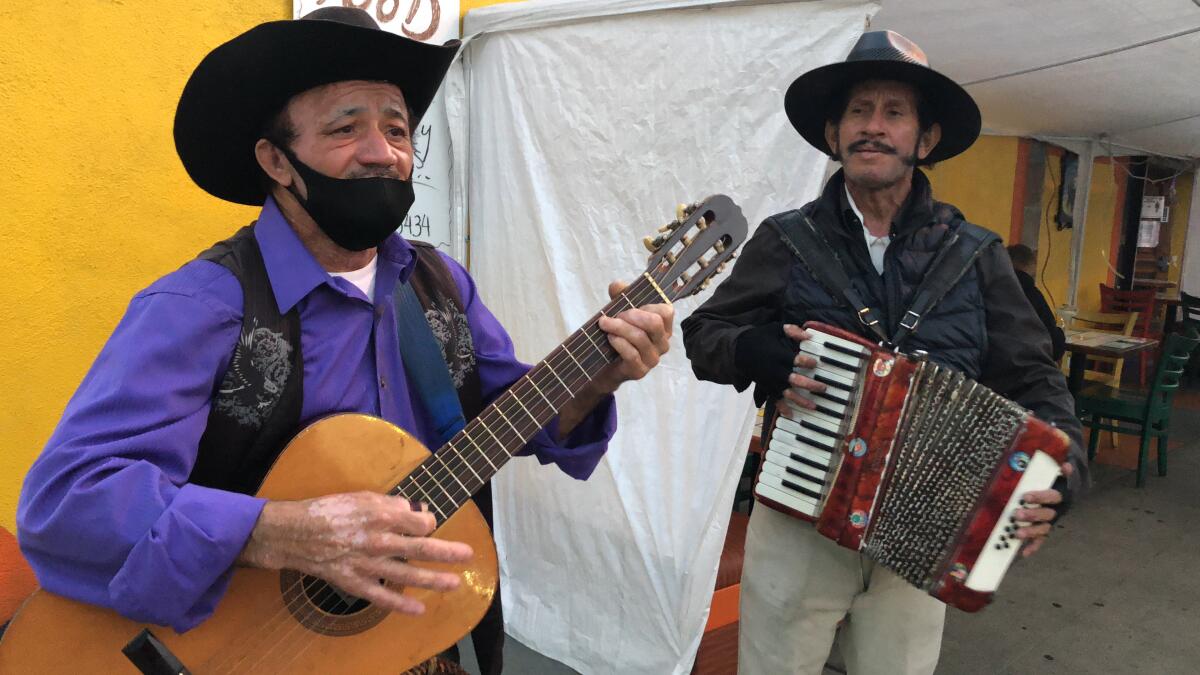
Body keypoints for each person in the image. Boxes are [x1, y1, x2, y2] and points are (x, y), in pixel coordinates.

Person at [15, 8, 673, 674]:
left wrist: (598, 375)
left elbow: (511, 413)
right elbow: (67, 499)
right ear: (276, 160)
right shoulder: (200, 306)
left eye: (397, 128)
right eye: (345, 127)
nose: (383, 151)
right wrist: (280, 532)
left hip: (395, 642)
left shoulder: (439, 285)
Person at [681, 31, 1087, 675]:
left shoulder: (975, 255)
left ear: (924, 140)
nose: (874, 127)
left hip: (921, 534)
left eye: (894, 113)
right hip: (799, 521)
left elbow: (1036, 379)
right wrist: (760, 353)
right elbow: (705, 335)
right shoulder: (787, 239)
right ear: (833, 133)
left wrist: (1061, 477)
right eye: (859, 111)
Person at [1007, 243, 1067, 361]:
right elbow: (1055, 347)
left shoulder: (989, 289)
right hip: (1024, 369)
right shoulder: (1031, 294)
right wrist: (1060, 333)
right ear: (1032, 264)